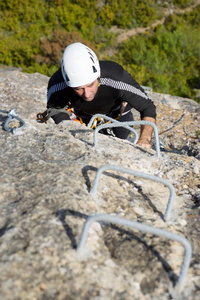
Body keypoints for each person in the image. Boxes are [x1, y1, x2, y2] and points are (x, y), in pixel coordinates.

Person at [45, 42, 156, 148]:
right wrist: (70, 128)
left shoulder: (115, 77)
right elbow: (55, 110)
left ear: (98, 74)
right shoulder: (57, 85)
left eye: (90, 85)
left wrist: (145, 139)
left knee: (122, 136)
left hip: (117, 113)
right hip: (84, 115)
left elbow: (147, 106)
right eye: (78, 89)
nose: (87, 94)